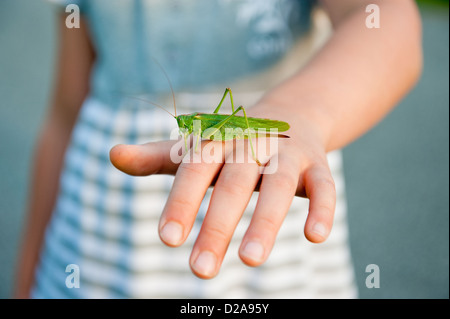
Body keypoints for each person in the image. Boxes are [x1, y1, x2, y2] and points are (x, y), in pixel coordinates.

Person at [15, 0, 422, 298]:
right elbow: (63, 114)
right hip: (94, 245)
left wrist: (299, 111)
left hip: (266, 208)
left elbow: (386, 18)